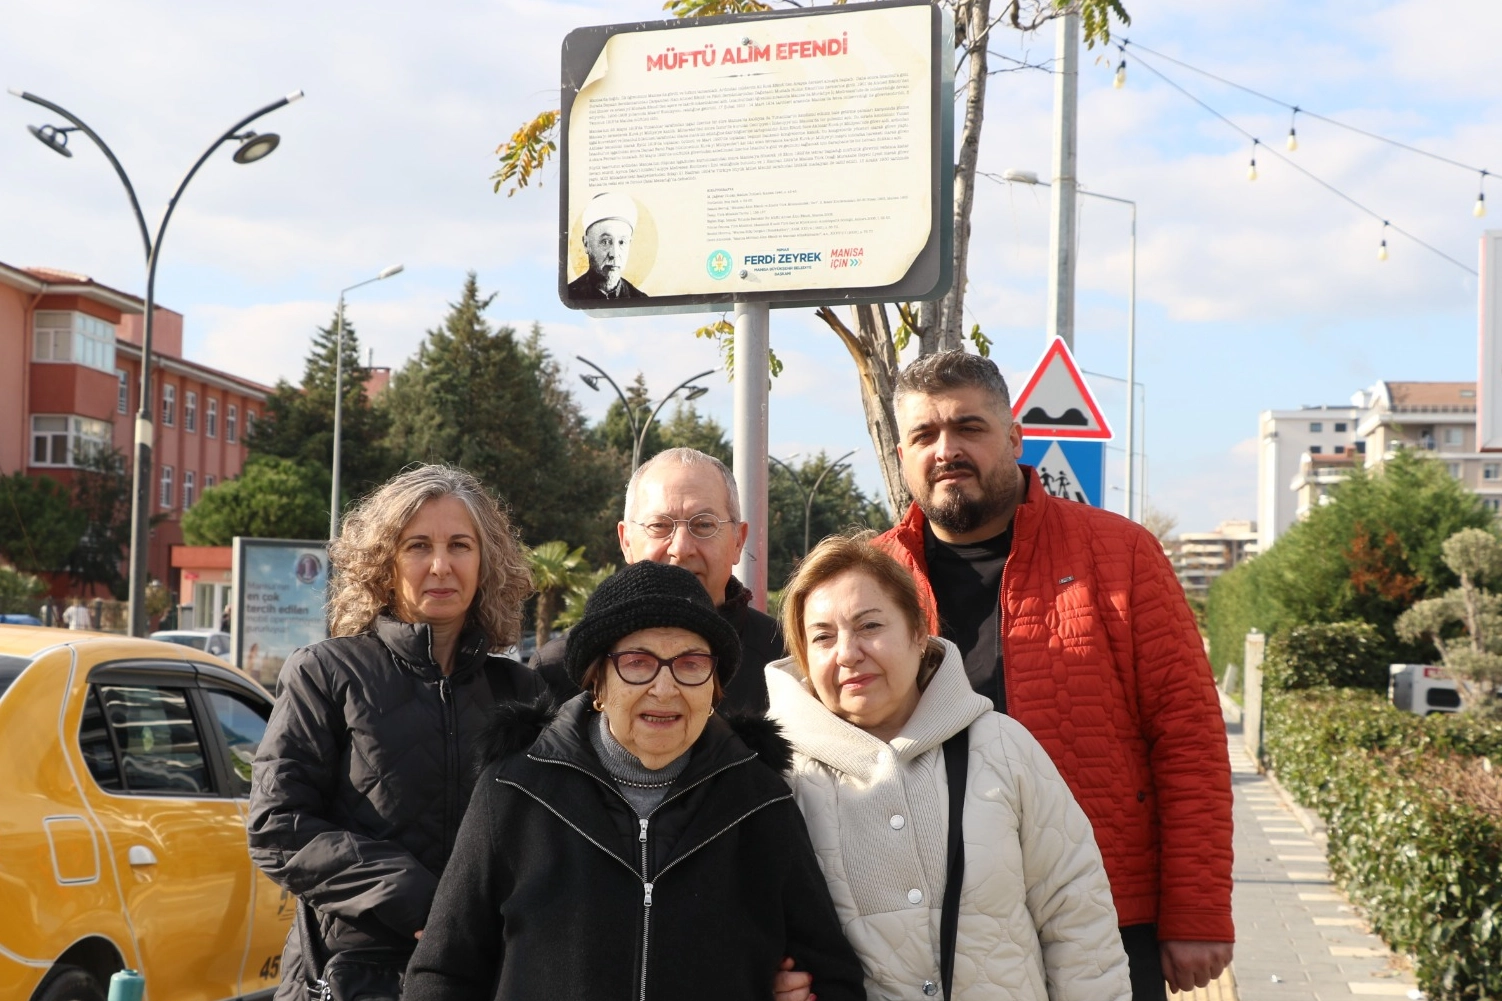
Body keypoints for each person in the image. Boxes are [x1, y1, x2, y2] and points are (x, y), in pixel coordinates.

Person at [873, 351, 1234, 1000]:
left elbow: (1189, 738)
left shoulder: (1120, 554)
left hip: (1102, 915)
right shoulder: (873, 579)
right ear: (903, 455)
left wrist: (1197, 910)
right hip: (921, 926)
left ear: (1014, 438)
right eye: (925, 434)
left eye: (969, 427)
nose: (947, 448)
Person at [403, 560, 866, 1001]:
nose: (664, 689)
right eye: (638, 662)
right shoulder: (515, 792)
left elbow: (832, 978)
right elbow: (443, 973)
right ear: (598, 681)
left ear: (713, 688)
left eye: (690, 663)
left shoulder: (760, 803)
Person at [765, 534, 1131, 1001]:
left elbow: (1077, 917)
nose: (848, 652)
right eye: (822, 637)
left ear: (919, 632)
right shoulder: (778, 780)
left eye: (869, 625)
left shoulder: (1000, 746)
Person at [247, 464, 544, 1001]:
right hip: (354, 977)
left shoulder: (521, 691)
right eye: (417, 546)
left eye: (460, 545)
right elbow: (277, 826)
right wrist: (422, 902)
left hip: (485, 975)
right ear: (383, 563)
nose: (440, 565)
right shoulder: (326, 672)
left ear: (485, 561)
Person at [532, 447, 780, 714]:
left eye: (704, 525)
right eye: (659, 526)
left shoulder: (786, 660)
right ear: (626, 540)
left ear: (738, 541)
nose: (681, 548)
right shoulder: (557, 670)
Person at [566, 190, 649, 300]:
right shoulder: (569, 296)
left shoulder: (640, 299)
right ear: (586, 244)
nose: (614, 254)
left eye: (621, 242)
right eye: (605, 242)